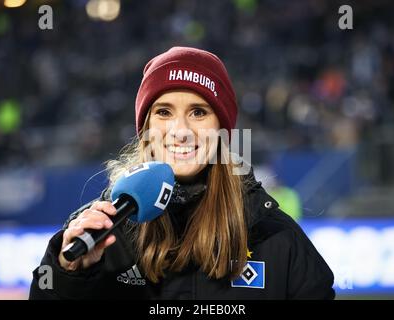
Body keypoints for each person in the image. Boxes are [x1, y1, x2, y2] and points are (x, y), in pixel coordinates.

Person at [29, 47, 335, 299]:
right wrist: (69, 276)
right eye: (164, 112)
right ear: (146, 128)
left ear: (222, 128)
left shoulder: (273, 234)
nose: (181, 131)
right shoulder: (100, 232)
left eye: (198, 112)